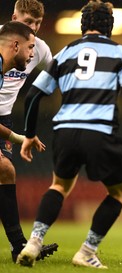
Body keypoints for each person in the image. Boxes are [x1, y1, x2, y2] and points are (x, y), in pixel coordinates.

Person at [16, 0, 122, 269]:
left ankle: (33, 242)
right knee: (120, 190)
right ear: (109, 26)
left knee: (59, 186)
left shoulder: (64, 54)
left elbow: (33, 96)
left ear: (83, 25)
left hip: (65, 131)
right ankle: (87, 250)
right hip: (100, 131)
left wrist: (29, 134)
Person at [0, 0, 57, 263]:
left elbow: (53, 77)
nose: (33, 30)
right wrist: (16, 137)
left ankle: (18, 246)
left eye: (37, 24)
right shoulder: (7, 43)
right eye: (27, 23)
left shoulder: (39, 50)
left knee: (4, 171)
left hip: (4, 119)